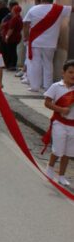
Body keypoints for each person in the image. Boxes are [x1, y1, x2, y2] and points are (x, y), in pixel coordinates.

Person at [22, 0, 72, 94]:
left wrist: (26, 37)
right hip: (50, 42)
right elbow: (72, 9)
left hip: (35, 41)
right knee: (48, 64)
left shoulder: (33, 9)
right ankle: (48, 86)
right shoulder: (59, 9)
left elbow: (26, 23)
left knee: (35, 64)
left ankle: (34, 86)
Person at [43, 60, 74, 188]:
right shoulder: (56, 86)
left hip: (72, 125)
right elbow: (47, 102)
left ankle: (61, 175)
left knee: (68, 152)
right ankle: (50, 169)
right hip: (59, 123)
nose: (73, 75)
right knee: (58, 149)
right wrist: (61, 110)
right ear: (63, 72)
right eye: (70, 72)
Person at [0, 2, 22, 71]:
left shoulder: (15, 19)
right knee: (12, 50)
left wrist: (6, 37)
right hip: (15, 37)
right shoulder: (18, 18)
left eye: (13, 10)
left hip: (12, 38)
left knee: (11, 51)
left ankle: (11, 65)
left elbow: (11, 29)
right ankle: (11, 65)